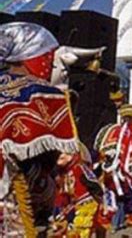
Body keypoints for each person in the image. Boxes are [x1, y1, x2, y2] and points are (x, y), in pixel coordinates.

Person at [0, 22, 79, 236]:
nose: (50, 63)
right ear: (33, 57)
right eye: (48, 57)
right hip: (17, 200)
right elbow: (59, 157)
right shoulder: (41, 93)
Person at [94, 104, 132, 238]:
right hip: (130, 182)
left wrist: (110, 162)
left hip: (111, 179)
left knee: (106, 210)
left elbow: (101, 150)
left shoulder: (113, 131)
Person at [53, 143, 103, 237]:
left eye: (63, 152)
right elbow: (62, 196)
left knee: (80, 231)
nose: (60, 155)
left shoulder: (79, 168)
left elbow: (93, 184)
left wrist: (101, 202)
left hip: (86, 205)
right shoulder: (62, 174)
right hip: (72, 206)